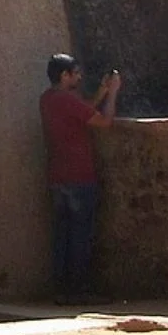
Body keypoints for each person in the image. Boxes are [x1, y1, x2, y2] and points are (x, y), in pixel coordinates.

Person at [40, 53, 120, 306]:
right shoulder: (67, 101)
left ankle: (62, 291)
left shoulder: (48, 99)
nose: (79, 76)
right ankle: (79, 291)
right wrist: (114, 93)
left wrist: (101, 92)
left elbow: (84, 111)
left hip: (57, 176)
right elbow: (104, 122)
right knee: (81, 237)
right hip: (78, 176)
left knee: (62, 236)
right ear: (64, 76)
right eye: (75, 72)